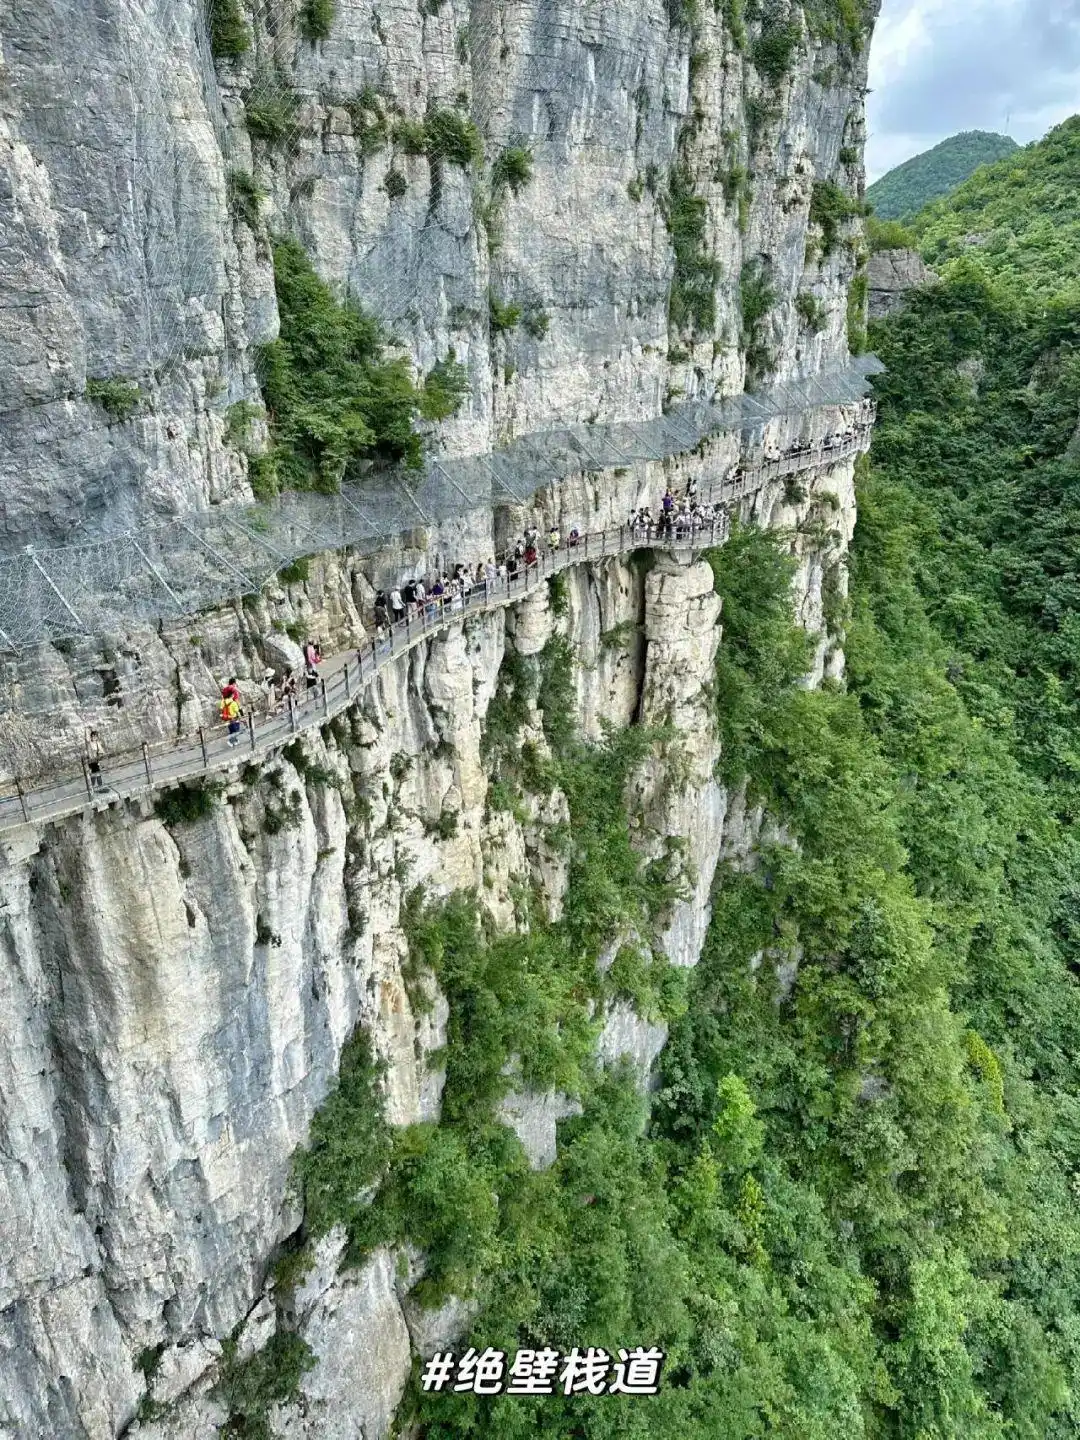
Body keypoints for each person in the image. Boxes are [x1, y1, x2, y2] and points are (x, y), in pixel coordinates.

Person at [86, 729, 105, 793]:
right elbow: (89, 753)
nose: (94, 737)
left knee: (96, 774)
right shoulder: (89, 743)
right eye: (93, 736)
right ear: (91, 737)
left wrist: (99, 755)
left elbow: (102, 751)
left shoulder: (97, 743)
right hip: (91, 761)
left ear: (97, 737)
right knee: (95, 774)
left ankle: (94, 788)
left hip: (96, 761)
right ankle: (96, 788)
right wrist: (86, 730)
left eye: (95, 736)